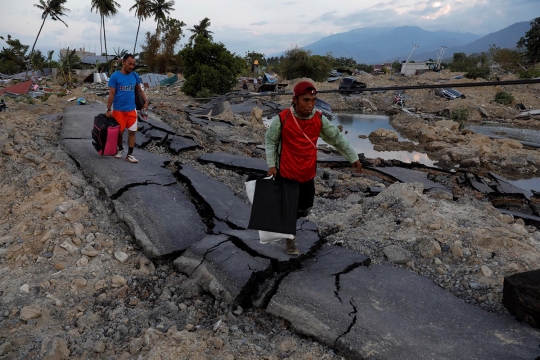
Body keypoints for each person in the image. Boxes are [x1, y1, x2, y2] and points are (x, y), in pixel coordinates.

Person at [265, 81, 362, 255]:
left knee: (305, 207)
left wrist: (352, 156)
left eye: (313, 100)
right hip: (287, 172)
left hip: (307, 173)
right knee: (291, 209)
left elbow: (336, 138)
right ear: (295, 99)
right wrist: (272, 165)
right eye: (306, 100)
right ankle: (290, 241)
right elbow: (270, 141)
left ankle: (287, 219)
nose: (310, 104)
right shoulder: (283, 118)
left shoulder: (318, 118)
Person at [106, 54, 148, 163]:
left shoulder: (135, 76)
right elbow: (112, 94)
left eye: (133, 64)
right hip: (119, 110)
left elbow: (139, 90)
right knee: (119, 132)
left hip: (131, 109)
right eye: (130, 64)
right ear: (123, 62)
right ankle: (120, 149)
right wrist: (108, 109)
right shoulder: (115, 76)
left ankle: (129, 154)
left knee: (132, 132)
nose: (132, 67)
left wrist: (145, 101)